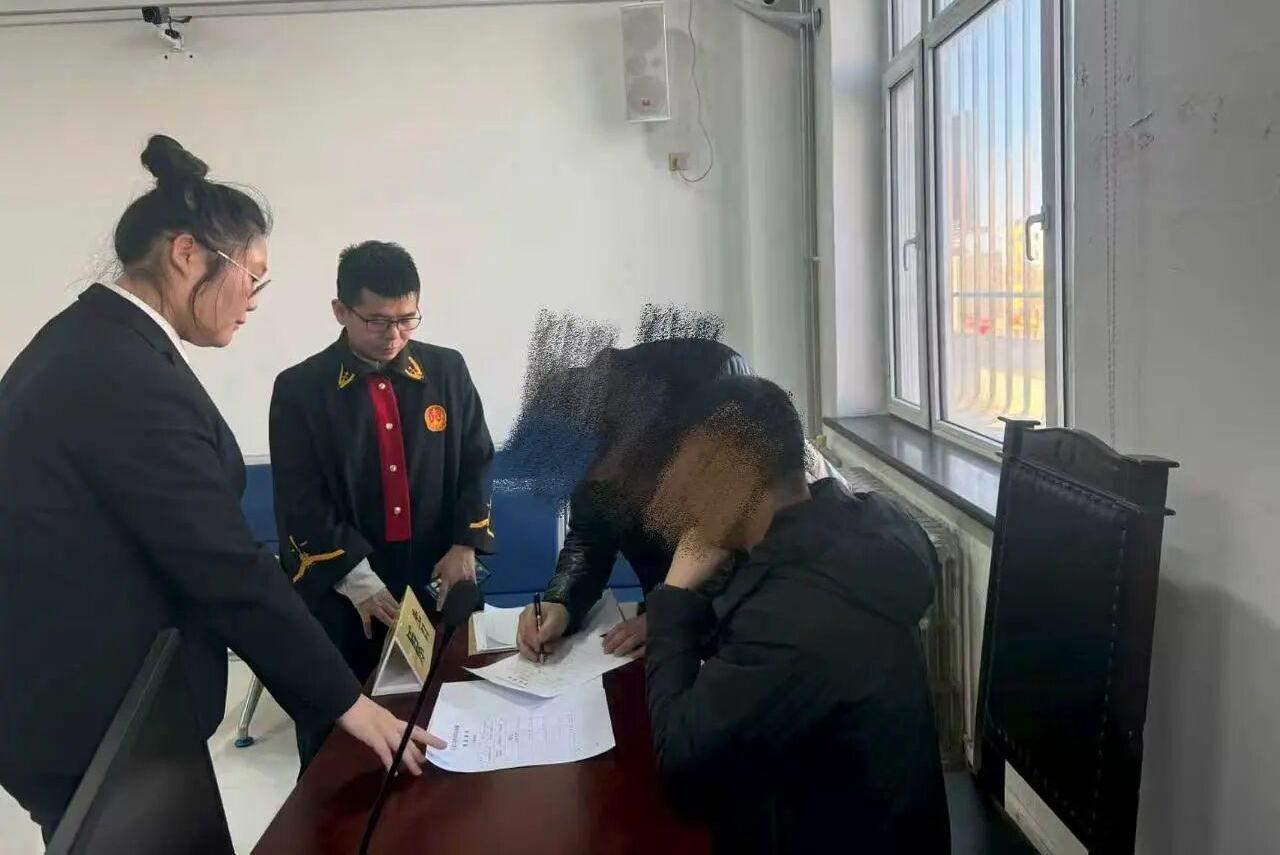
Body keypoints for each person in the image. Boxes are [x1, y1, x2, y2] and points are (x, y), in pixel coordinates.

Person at [0, 137, 442, 840]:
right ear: (186, 254)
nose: (254, 301)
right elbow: (223, 567)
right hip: (95, 726)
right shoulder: (119, 371)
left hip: (84, 709)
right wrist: (349, 704)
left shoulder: (94, 341)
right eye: (253, 277)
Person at [642, 375, 951, 854]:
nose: (680, 495)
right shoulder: (856, 529)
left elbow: (683, 771)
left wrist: (675, 594)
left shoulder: (789, 618)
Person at [269, 240, 494, 770]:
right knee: (341, 741)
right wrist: (358, 581)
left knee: (448, 716)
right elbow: (301, 499)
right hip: (346, 591)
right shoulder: (301, 389)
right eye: (376, 321)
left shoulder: (446, 371)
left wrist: (465, 545)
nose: (394, 335)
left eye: (406, 319)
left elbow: (477, 460)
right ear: (340, 311)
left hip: (433, 579)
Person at [513, 338, 841, 661]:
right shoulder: (584, 430)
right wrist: (561, 602)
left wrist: (670, 616)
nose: (597, 485)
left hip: (758, 620)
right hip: (671, 617)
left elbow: (741, 543)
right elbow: (590, 536)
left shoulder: (705, 408)